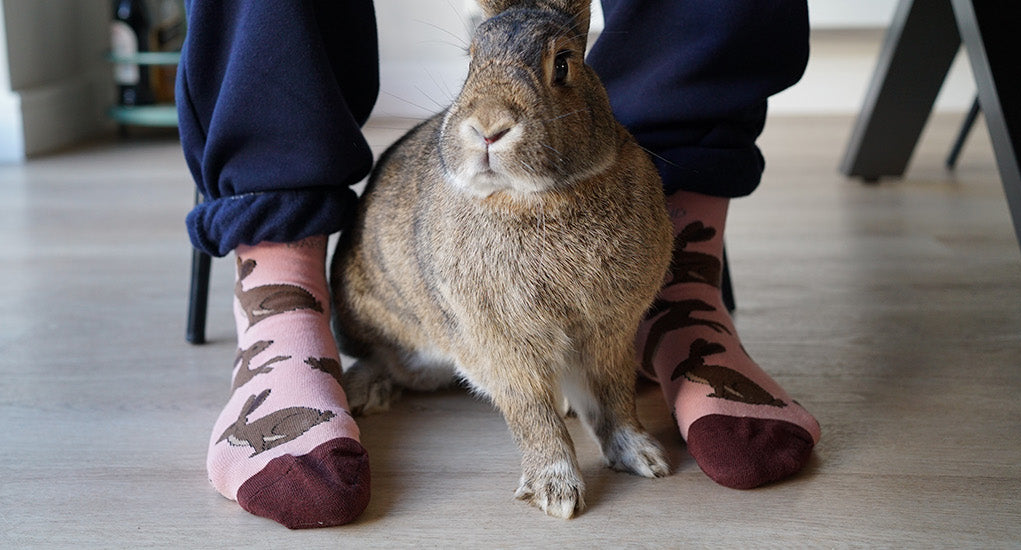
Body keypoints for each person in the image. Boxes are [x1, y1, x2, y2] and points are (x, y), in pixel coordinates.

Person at [179, 0, 820, 529]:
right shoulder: (469, 163)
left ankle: (681, 282)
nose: (488, 122)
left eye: (560, 68)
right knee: (485, 329)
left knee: (618, 307)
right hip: (412, 311)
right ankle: (280, 291)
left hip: (626, 175)